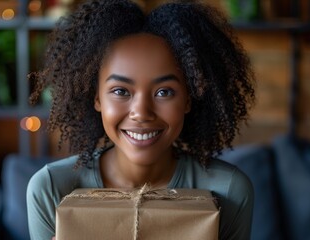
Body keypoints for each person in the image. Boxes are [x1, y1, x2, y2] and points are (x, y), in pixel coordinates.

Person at [27, 0, 256, 239]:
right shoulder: (51, 189)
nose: (141, 112)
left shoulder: (229, 192)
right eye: (120, 91)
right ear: (97, 98)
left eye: (164, 92)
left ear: (189, 99)